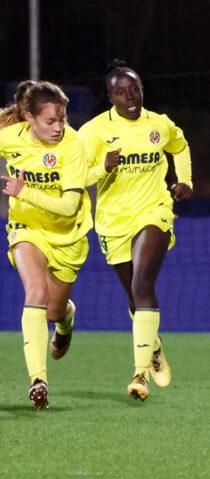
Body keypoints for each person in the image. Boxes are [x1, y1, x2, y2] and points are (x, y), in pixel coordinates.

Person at [78, 60, 193, 401]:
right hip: (113, 221)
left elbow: (180, 146)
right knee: (133, 295)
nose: (130, 97)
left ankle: (139, 374)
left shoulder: (159, 124)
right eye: (120, 92)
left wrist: (184, 180)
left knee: (143, 284)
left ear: (142, 88)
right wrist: (103, 167)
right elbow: (77, 177)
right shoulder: (94, 131)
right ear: (110, 96)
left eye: (134, 89)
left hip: (154, 210)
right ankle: (153, 346)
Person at [0, 80, 93, 410]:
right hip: (28, 229)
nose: (59, 127)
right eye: (50, 121)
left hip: (68, 235)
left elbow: (69, 208)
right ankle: (38, 381)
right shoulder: (9, 137)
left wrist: (23, 191)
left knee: (53, 309)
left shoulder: (73, 145)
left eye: (63, 119)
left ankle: (66, 318)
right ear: (29, 118)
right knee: (35, 293)